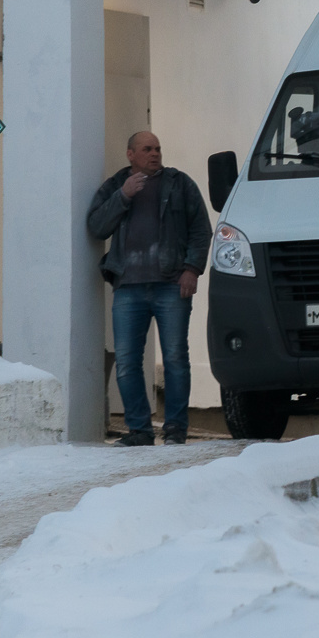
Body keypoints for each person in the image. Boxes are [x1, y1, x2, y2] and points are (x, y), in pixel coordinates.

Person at [86, 131, 212, 446]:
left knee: (175, 358)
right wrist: (124, 196)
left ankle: (175, 430)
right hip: (128, 287)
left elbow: (201, 229)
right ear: (131, 154)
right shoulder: (116, 185)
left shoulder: (180, 184)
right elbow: (96, 226)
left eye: (157, 148)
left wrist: (192, 270)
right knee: (127, 361)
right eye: (147, 149)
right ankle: (140, 431)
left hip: (171, 284)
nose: (155, 154)